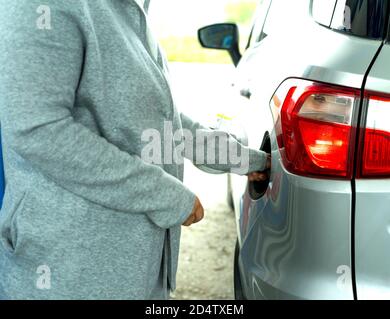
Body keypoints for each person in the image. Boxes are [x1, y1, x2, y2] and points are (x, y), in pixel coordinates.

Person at [0, 0, 270, 299]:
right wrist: (165, 195)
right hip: (70, 272)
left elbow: (157, 125)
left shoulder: (127, 10)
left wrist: (246, 159)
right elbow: (39, 131)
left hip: (138, 267)